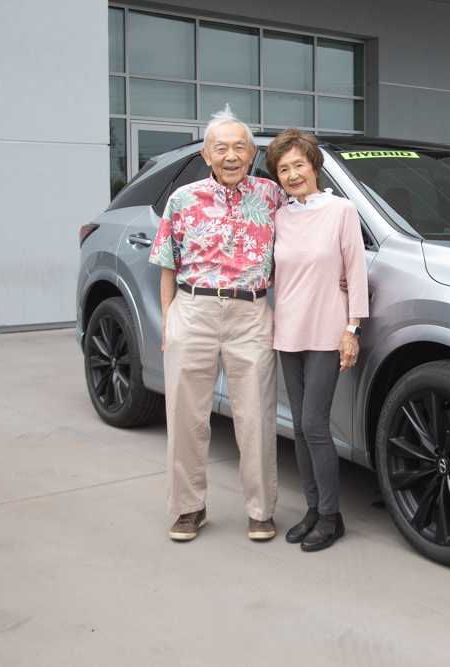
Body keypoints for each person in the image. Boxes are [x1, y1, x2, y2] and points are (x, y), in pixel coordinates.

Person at [150, 106, 282, 542]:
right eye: (220, 148)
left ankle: (261, 510)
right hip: (194, 310)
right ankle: (188, 508)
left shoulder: (272, 196)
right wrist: (170, 321)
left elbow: (305, 247)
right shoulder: (182, 200)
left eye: (239, 147)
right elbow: (167, 265)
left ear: (252, 155)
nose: (230, 155)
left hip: (251, 313)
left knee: (257, 417)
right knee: (185, 416)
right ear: (207, 155)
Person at [265, 127, 369, 552]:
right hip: (287, 330)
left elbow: (356, 271)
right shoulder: (279, 217)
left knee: (314, 425)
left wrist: (352, 328)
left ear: (314, 166)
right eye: (283, 168)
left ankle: (331, 516)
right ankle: (313, 510)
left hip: (328, 331)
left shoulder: (342, 210)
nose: (292, 174)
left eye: (298, 165)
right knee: (300, 430)